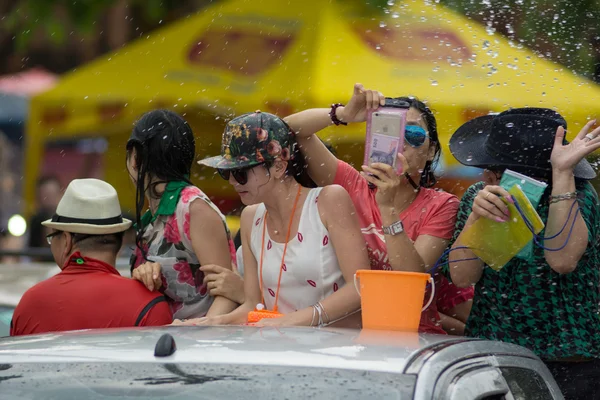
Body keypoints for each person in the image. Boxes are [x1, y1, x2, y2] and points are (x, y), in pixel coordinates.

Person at [282, 84, 473, 334]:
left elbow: (409, 278)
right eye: (390, 130)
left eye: (413, 134)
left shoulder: (442, 205)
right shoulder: (351, 185)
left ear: (431, 152)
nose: (401, 143)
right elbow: (287, 130)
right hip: (343, 333)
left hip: (408, 336)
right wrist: (344, 114)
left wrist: (387, 208)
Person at [447, 108, 600, 399]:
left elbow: (563, 260)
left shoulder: (579, 195)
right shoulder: (481, 195)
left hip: (567, 361)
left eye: (491, 168)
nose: (484, 174)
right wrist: (475, 220)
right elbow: (462, 276)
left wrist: (563, 173)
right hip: (493, 353)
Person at [188, 111, 368, 327]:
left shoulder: (328, 201)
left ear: (279, 167)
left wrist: (294, 321)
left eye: (241, 172)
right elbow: (252, 306)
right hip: (279, 349)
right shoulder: (250, 217)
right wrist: (207, 323)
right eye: (226, 173)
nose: (233, 182)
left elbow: (360, 287)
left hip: (335, 352)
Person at [10, 179, 172, 336]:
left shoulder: (31, 303)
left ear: (66, 241)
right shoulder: (150, 304)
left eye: (53, 237)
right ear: (120, 242)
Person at [126, 109, 242, 320]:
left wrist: (198, 335)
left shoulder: (193, 208)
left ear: (135, 158)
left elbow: (227, 293)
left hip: (197, 344)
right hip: (168, 340)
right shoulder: (155, 215)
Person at [28, 175, 62, 249]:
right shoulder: (35, 221)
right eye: (46, 195)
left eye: (53, 194)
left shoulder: (68, 219)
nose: (50, 199)